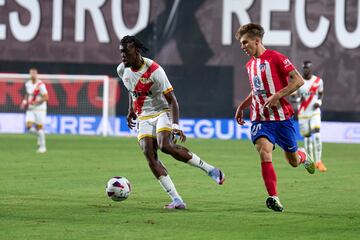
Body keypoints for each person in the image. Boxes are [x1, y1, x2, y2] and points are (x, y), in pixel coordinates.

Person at [116, 35, 225, 209]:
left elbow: (172, 100)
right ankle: (177, 199)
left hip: (162, 112)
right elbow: (131, 90)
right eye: (121, 52)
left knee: (165, 146)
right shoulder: (122, 69)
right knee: (149, 155)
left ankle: (210, 170)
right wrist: (131, 110)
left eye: (125, 52)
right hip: (143, 116)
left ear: (136, 50)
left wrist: (175, 126)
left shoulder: (154, 70)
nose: (122, 56)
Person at [234, 23, 315, 212]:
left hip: (282, 118)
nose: (243, 47)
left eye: (245, 42)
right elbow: (256, 91)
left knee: (293, 161)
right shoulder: (249, 65)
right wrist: (241, 107)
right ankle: (274, 197)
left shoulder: (276, 58)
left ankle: (302, 156)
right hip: (260, 118)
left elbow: (298, 80)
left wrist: (278, 95)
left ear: (257, 40)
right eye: (241, 44)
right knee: (264, 151)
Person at [295, 61, 326, 172]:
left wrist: (319, 101)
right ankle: (311, 161)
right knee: (307, 138)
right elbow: (293, 98)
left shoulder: (318, 81)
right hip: (303, 113)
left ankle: (319, 162)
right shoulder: (298, 82)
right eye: (304, 68)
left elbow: (321, 93)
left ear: (311, 69)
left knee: (317, 134)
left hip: (314, 112)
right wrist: (299, 99)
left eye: (307, 68)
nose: (306, 70)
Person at [20, 68, 48, 153]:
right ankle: (40, 136)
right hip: (31, 109)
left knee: (39, 127)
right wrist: (24, 102)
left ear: (37, 74)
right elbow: (27, 94)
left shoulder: (41, 85)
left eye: (34, 73)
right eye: (31, 73)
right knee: (29, 127)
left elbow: (46, 97)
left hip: (40, 109)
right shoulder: (28, 84)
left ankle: (43, 147)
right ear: (29, 74)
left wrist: (36, 101)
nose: (33, 75)